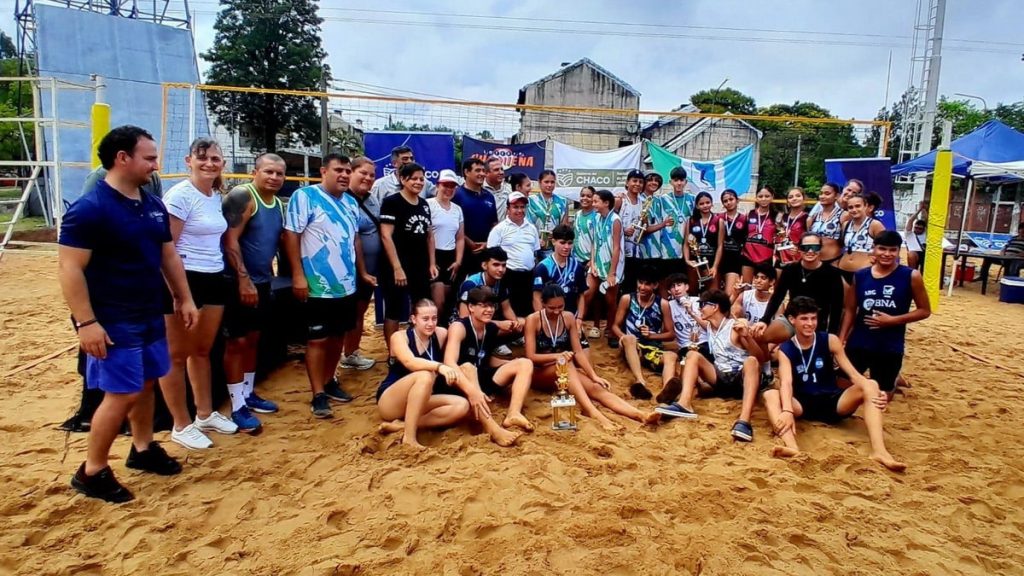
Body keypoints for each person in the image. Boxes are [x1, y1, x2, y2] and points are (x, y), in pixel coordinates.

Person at [59, 125, 197, 502]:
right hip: (112, 317)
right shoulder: (90, 209)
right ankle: (92, 470)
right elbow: (70, 269)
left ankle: (142, 448)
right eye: (149, 157)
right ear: (123, 158)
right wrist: (87, 323)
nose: (155, 165)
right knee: (121, 393)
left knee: (150, 379)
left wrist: (183, 298)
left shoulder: (151, 203)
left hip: (150, 309)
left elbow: (168, 254)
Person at [764, 297, 907, 472]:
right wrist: (787, 410)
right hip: (802, 403)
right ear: (792, 320)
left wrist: (874, 391)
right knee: (771, 394)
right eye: (804, 319)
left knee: (871, 383)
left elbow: (853, 374)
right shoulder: (786, 348)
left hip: (833, 400)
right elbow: (786, 382)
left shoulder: (830, 340)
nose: (810, 323)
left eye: (813, 318)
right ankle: (792, 447)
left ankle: (880, 451)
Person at [159, 137, 237, 448]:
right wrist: (179, 294)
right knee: (176, 356)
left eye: (215, 159)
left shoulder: (215, 196)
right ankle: (180, 423)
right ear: (188, 160)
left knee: (202, 350)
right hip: (184, 278)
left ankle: (205, 413)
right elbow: (167, 249)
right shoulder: (180, 195)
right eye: (202, 158)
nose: (209, 164)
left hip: (213, 275)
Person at [284, 153, 368, 419]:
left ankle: (330, 380)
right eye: (338, 170)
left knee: (338, 336)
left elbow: (354, 240)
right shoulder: (305, 197)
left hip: (346, 284)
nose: (343, 175)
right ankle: (318, 393)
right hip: (317, 284)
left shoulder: (351, 204)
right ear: (323, 171)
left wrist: (361, 272)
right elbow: (291, 235)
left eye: (347, 170)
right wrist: (298, 274)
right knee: (317, 340)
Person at [526, 284, 660, 429]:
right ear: (543, 303)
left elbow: (578, 351)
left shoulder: (569, 317)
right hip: (540, 372)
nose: (557, 311)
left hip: (563, 370)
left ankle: (640, 414)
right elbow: (531, 356)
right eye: (552, 308)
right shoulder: (533, 320)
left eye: (561, 307)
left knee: (596, 387)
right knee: (566, 363)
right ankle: (591, 411)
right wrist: (557, 357)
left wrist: (593, 375)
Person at [220, 152, 286, 432]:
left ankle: (247, 392)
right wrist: (242, 279)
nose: (274, 177)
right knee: (237, 342)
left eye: (279, 173)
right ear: (255, 172)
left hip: (262, 280)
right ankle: (236, 405)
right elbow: (229, 240)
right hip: (237, 281)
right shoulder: (243, 196)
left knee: (254, 339)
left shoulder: (277, 203)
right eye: (268, 172)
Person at [655, 289, 767, 443]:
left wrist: (746, 335)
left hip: (741, 379)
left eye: (702, 304)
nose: (699, 307)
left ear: (715, 307)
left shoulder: (735, 326)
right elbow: (700, 320)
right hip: (720, 377)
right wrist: (691, 312)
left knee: (751, 361)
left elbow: (760, 358)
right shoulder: (709, 326)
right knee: (692, 355)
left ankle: (744, 421)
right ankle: (684, 404)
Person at [840, 230, 931, 399]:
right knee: (841, 387)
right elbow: (851, 310)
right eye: (882, 249)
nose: (887, 254)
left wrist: (893, 320)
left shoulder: (911, 275)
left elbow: (925, 311)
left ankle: (893, 380)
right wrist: (842, 338)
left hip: (889, 343)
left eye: (892, 250)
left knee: (882, 396)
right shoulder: (861, 275)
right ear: (874, 249)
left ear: (898, 251)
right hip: (860, 340)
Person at [443, 287, 534, 446]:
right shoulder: (459, 327)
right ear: (471, 307)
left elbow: (485, 356)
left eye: (491, 306)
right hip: (458, 381)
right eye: (483, 306)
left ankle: (514, 413)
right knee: (468, 367)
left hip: (481, 376)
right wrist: (472, 390)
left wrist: (509, 365)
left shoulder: (490, 328)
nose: (489, 310)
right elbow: (449, 362)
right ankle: (493, 429)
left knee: (524, 363)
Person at [376, 299, 470, 449]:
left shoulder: (441, 334)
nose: (431, 324)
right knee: (424, 375)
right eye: (425, 319)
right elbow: (410, 362)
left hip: (423, 398)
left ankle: (401, 426)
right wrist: (439, 367)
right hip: (392, 401)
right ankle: (409, 437)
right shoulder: (400, 337)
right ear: (413, 319)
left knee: (461, 405)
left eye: (434, 318)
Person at [379, 162, 439, 356]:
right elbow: (386, 236)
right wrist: (397, 267)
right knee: (394, 311)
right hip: (396, 267)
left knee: (421, 308)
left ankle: (419, 349)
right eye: (413, 178)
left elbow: (429, 236)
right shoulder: (392, 202)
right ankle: (394, 354)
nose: (418, 182)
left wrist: (431, 263)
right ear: (402, 179)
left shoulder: (424, 204)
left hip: (419, 267)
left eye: (421, 179)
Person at [751, 232, 846, 344]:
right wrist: (765, 320)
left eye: (815, 247)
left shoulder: (832, 274)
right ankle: (765, 360)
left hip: (815, 324)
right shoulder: (790, 269)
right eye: (805, 247)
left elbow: (836, 308)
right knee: (760, 337)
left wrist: (831, 335)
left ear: (820, 249)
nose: (810, 251)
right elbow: (777, 296)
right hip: (791, 319)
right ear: (799, 249)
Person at [611, 266, 679, 400]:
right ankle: (640, 381)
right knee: (630, 339)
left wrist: (652, 335)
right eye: (640, 282)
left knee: (671, 355)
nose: (642, 287)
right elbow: (615, 326)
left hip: (652, 347)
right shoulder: (627, 299)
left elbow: (671, 334)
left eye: (647, 284)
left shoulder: (663, 304)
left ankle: (667, 391)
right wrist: (622, 337)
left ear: (655, 285)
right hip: (632, 345)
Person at [339, 156, 380, 371]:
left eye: (372, 175)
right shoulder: (342, 200)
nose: (368, 178)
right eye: (363, 173)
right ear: (351, 173)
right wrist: (362, 270)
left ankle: (351, 353)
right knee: (344, 315)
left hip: (370, 270)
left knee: (359, 312)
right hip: (349, 271)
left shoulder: (372, 200)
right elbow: (353, 238)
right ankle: (337, 359)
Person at [656, 273, 711, 405]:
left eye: (679, 285)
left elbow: (710, 327)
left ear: (687, 286)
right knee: (687, 356)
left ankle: (700, 383)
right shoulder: (668, 306)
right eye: (672, 287)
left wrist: (691, 312)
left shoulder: (699, 301)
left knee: (699, 356)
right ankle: (695, 385)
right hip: (685, 346)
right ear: (669, 291)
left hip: (704, 343)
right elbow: (667, 330)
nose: (676, 289)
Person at [458, 247, 524, 355]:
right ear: (484, 265)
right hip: (469, 323)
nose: (501, 269)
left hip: (488, 318)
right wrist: (498, 324)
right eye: (496, 265)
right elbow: (464, 317)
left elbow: (507, 308)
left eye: (503, 265)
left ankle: (500, 342)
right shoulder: (471, 284)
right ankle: (493, 345)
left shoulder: (500, 281)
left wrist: (515, 323)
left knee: (523, 322)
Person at [488, 191, 540, 318]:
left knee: (527, 309)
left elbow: (535, 252)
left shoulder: (532, 228)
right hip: (508, 276)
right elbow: (491, 254)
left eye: (522, 207)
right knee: (508, 310)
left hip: (528, 276)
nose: (519, 210)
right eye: (515, 207)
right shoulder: (499, 229)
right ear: (508, 209)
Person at [588, 189, 625, 347]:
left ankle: (611, 331)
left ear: (606, 203)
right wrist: (592, 263)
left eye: (596, 201)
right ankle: (596, 326)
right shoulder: (596, 217)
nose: (593, 203)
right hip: (598, 262)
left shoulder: (615, 220)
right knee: (593, 294)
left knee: (610, 300)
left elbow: (616, 248)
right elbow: (594, 242)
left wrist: (612, 273)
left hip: (613, 264)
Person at [452, 158, 497, 284]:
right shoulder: (456, 195)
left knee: (482, 290)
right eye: (478, 170)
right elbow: (452, 225)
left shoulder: (489, 196)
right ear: (466, 172)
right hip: (461, 253)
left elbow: (494, 223)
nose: (482, 174)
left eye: (483, 170)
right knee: (459, 289)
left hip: (484, 253)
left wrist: (487, 243)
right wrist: (468, 242)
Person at [428, 169, 465, 324]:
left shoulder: (457, 209)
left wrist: (458, 261)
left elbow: (460, 237)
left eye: (452, 186)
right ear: (438, 185)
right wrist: (430, 261)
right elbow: (427, 236)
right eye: (446, 185)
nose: (449, 189)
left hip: (450, 258)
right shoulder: (428, 205)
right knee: (438, 301)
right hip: (434, 256)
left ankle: (444, 335)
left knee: (449, 301)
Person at [532, 224, 589, 324]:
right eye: (562, 243)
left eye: (569, 243)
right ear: (553, 241)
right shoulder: (543, 267)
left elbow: (581, 296)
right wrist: (543, 321)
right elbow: (537, 297)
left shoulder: (577, 267)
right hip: (550, 319)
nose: (566, 247)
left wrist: (579, 319)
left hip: (571, 319)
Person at [650, 167, 695, 286]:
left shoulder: (692, 199)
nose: (679, 183)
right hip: (666, 249)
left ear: (686, 182)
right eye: (675, 180)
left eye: (681, 180)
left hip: (685, 250)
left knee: (683, 284)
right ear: (670, 182)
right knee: (665, 283)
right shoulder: (662, 199)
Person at [837, 193, 886, 284]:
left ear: (865, 206)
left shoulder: (874, 224)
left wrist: (875, 258)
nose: (854, 210)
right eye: (850, 207)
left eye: (858, 206)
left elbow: (886, 246)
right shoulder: (845, 225)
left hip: (864, 272)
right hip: (843, 270)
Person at [572, 186, 599, 337]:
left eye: (589, 196)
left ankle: (595, 326)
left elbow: (597, 240)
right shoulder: (576, 215)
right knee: (579, 293)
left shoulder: (597, 216)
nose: (585, 198)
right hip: (577, 260)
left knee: (591, 294)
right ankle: (578, 325)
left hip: (592, 261)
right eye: (582, 195)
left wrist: (592, 260)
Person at [683, 191, 723, 291]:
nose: (705, 205)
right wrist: (687, 260)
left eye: (707, 202)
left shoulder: (719, 221)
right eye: (701, 203)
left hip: (710, 262)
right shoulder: (691, 221)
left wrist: (715, 266)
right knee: (693, 292)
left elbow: (720, 246)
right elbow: (686, 244)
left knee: (713, 293)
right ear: (697, 206)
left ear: (712, 203)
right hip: (694, 263)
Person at [369, 145, 436, 204]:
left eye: (411, 159)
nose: (410, 161)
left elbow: (439, 195)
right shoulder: (380, 185)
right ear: (394, 163)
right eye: (405, 159)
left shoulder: (422, 182)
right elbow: (372, 208)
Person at [618, 169, 649, 294]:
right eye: (634, 181)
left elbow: (645, 225)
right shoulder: (620, 200)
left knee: (631, 285)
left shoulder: (643, 203)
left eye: (640, 182)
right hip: (620, 251)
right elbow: (607, 223)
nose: (637, 184)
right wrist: (623, 230)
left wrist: (646, 222)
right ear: (627, 182)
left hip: (636, 252)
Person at [526, 169, 568, 259]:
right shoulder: (530, 200)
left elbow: (564, 226)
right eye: (546, 182)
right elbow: (527, 224)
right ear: (539, 182)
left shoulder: (562, 201)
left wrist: (556, 236)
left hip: (553, 247)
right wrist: (536, 240)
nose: (549, 185)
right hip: (534, 246)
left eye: (552, 182)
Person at [741, 186, 778, 284]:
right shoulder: (749, 214)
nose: (764, 199)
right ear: (756, 198)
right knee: (746, 286)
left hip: (765, 256)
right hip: (748, 255)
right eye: (760, 196)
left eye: (767, 196)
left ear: (772, 197)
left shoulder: (777, 216)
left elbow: (780, 236)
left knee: (763, 287)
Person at [717, 189, 748, 298]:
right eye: (725, 201)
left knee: (728, 294)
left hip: (735, 260)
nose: (728, 203)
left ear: (737, 200)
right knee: (716, 293)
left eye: (731, 199)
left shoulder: (744, 219)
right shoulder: (717, 218)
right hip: (719, 260)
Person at [806, 182, 845, 265]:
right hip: (815, 262)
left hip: (834, 261)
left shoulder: (843, 215)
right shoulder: (813, 217)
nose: (822, 196)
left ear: (836, 196)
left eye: (827, 194)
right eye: (821, 193)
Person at [776, 187, 808, 267]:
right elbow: (777, 236)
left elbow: (809, 239)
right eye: (790, 197)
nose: (794, 199)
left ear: (803, 199)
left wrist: (800, 249)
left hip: (797, 258)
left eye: (798, 196)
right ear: (787, 202)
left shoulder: (808, 218)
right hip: (780, 256)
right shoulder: (781, 217)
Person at [483, 157, 512, 222]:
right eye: (496, 170)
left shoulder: (508, 188)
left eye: (502, 169)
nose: (501, 172)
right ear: (486, 173)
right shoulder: (480, 190)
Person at [904, 201, 928, 271]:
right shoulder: (909, 234)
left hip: (925, 254)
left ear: (924, 229)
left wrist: (924, 210)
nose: (917, 230)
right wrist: (919, 210)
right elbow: (910, 221)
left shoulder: (926, 234)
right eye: (916, 227)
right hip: (914, 254)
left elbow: (928, 221)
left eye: (920, 229)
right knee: (911, 254)